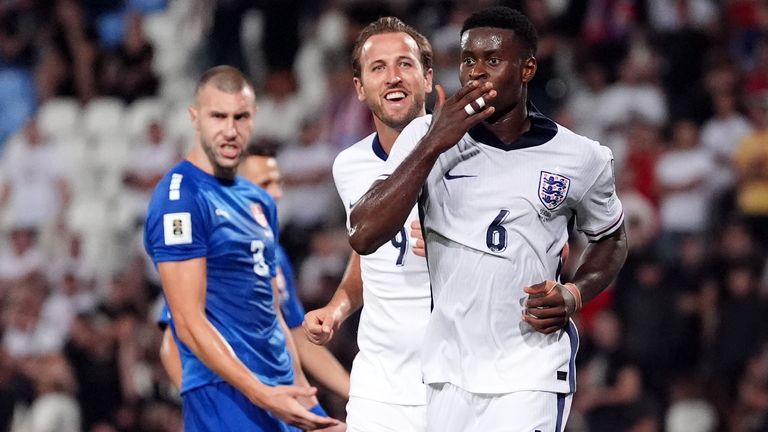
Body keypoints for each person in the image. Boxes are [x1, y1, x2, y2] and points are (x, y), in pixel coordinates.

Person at [348, 7, 628, 431]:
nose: (477, 73)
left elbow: (611, 238)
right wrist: (433, 144)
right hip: (447, 370)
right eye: (468, 61)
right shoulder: (424, 138)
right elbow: (363, 233)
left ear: (527, 68)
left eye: (493, 61)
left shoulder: (580, 157)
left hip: (529, 369)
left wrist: (574, 293)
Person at [143, 65, 338, 431]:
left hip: (281, 393)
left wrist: (310, 407)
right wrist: (262, 394)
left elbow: (273, 314)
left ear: (254, 118)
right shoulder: (181, 197)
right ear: (194, 117)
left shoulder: (257, 199)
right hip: (226, 395)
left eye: (241, 117)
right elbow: (185, 322)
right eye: (218, 116)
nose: (230, 130)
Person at [302, 17, 433, 431]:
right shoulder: (349, 166)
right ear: (359, 88)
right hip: (381, 385)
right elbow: (367, 256)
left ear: (428, 78)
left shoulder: (470, 156)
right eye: (378, 67)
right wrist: (337, 309)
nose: (393, 77)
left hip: (459, 377)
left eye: (404, 64)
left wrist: (459, 244)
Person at [157, 143, 351, 402]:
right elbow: (171, 341)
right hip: (227, 400)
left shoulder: (276, 255)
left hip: (274, 400)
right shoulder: (208, 253)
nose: (277, 194)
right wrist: (204, 408)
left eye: (278, 183)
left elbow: (294, 336)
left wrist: (356, 396)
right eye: (264, 184)